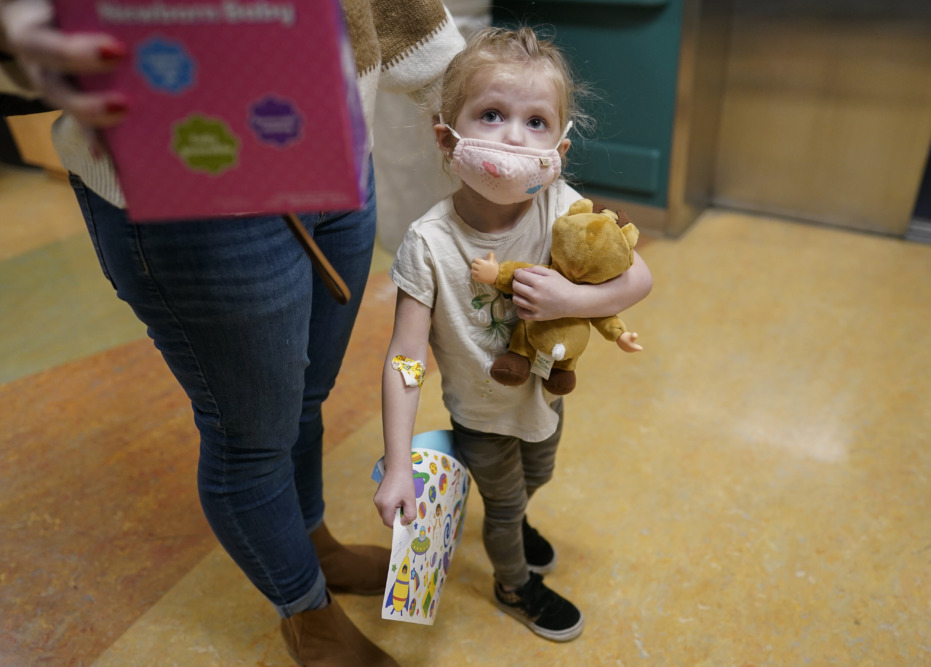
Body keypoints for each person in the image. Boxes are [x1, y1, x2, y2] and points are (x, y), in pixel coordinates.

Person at [0, 1, 464, 665]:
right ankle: (306, 610)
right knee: (251, 439)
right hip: (195, 191)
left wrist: (475, 92)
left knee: (305, 394)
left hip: (335, 150)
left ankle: (311, 540)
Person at [373, 26, 652, 643]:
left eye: (535, 122)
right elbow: (404, 359)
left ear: (560, 150)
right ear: (447, 136)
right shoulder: (429, 243)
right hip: (480, 411)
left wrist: (574, 298)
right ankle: (513, 584)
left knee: (537, 476)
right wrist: (398, 466)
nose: (511, 136)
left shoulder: (559, 204)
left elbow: (640, 277)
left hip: (545, 395)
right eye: (492, 114)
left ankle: (517, 517)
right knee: (502, 506)